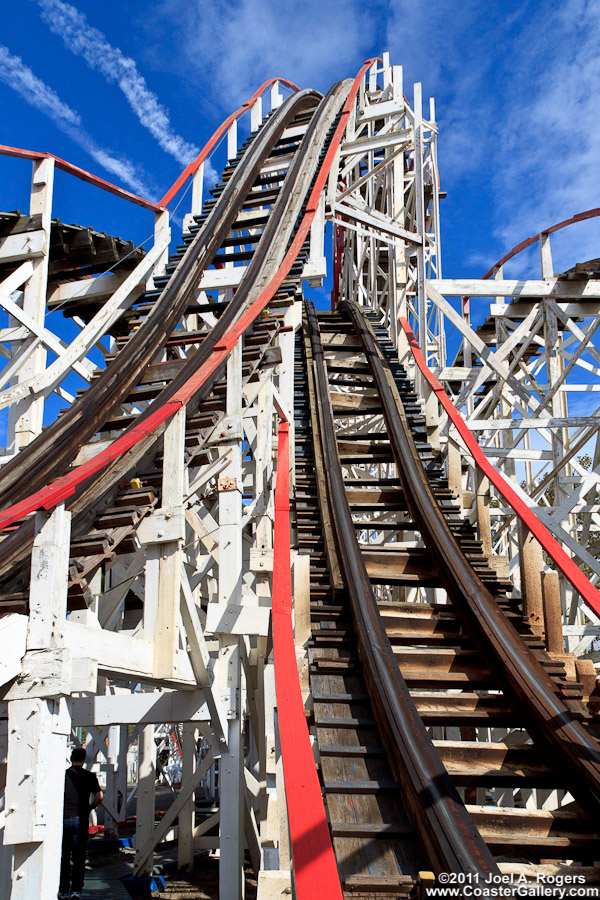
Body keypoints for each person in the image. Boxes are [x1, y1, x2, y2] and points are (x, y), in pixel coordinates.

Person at [58, 748, 103, 900]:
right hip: (81, 819)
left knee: (64, 856)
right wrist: (89, 808)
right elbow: (99, 797)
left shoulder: (63, 775)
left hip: (64, 819)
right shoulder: (90, 776)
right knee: (78, 857)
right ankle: (76, 890)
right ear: (84, 759)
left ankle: (63, 890)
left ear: (71, 758)